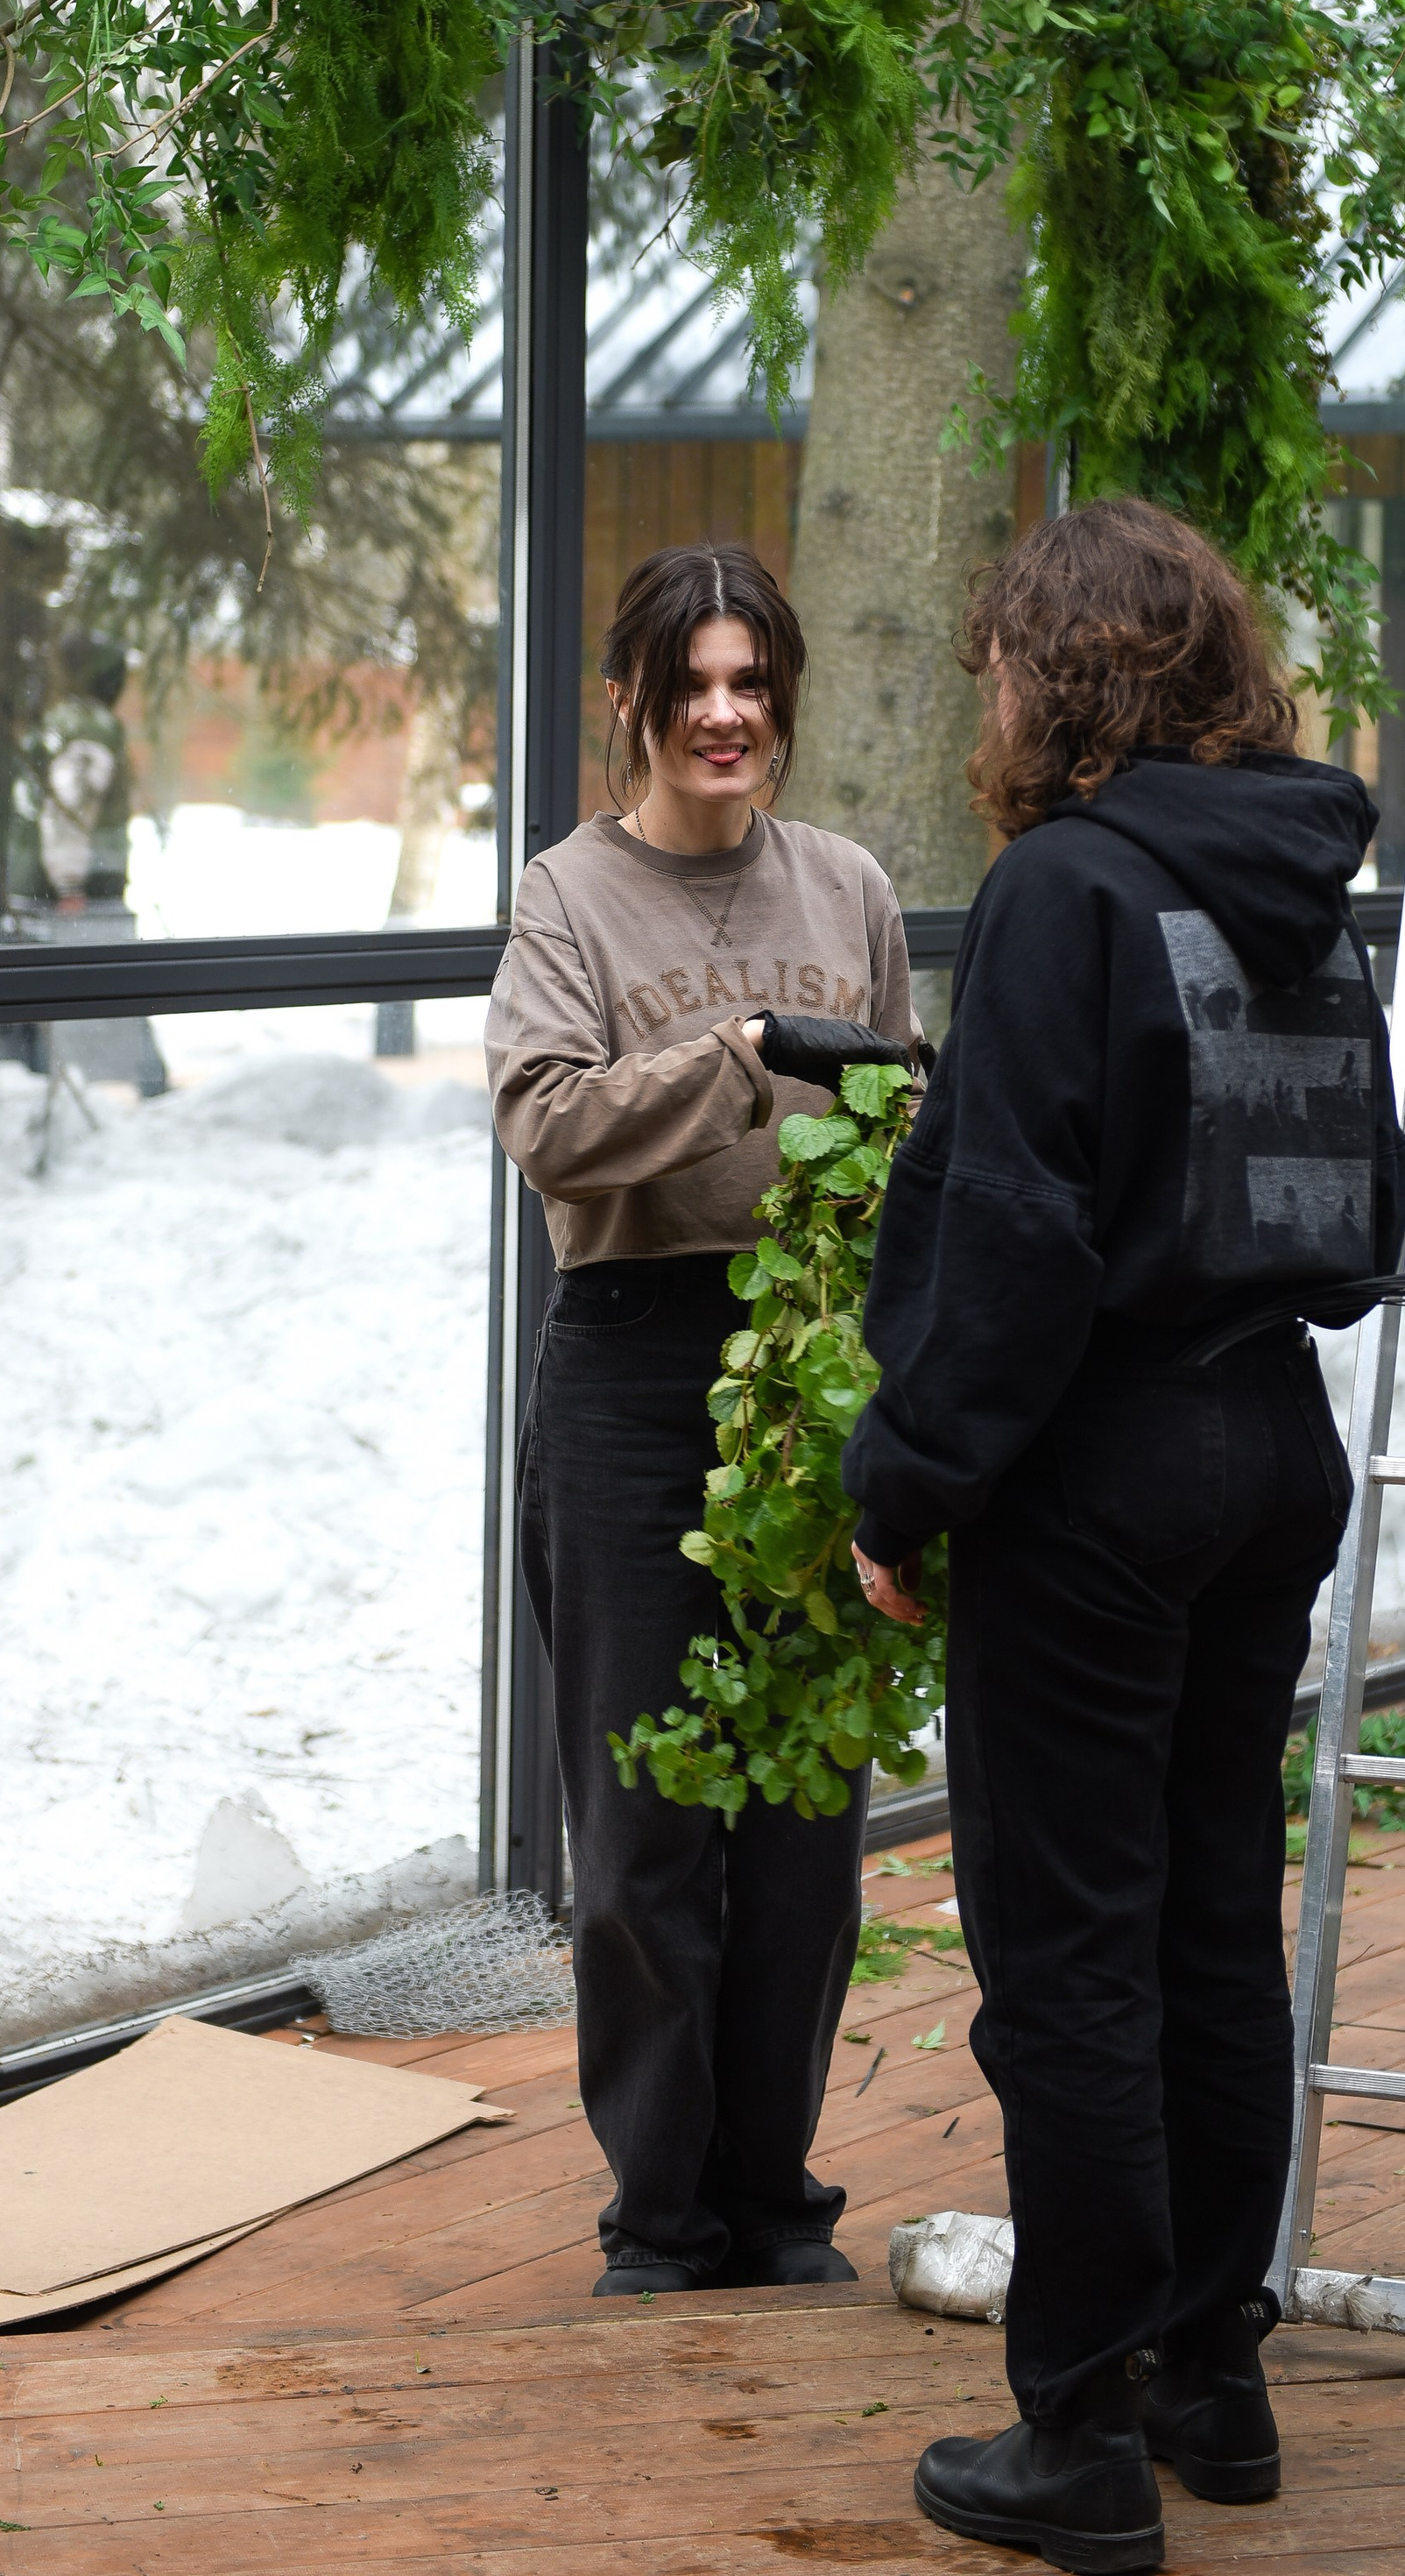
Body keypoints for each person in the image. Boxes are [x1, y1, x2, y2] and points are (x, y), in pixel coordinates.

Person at [844, 499, 1405, 2575]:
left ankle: (1071, 2435)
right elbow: (1363, 1208)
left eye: (1002, 654)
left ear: (1059, 674)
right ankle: (1212, 2378)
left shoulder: (1059, 888)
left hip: (1097, 1469)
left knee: (1065, 1957)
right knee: (1200, 1924)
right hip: (1270, 1439)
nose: (984, 687)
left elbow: (1010, 1238)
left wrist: (903, 1480)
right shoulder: (1298, 892)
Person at [485, 541, 918, 2297]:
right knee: (645, 1823)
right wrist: (738, 1053)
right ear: (632, 704)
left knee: (804, 1820)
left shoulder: (851, 885)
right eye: (694, 684)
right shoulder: (566, 898)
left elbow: (894, 1122)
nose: (725, 714)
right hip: (632, 1367)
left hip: (809, 1365)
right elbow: (545, 1124)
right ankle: (657, 2216)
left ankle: (772, 2194)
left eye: (753, 683)